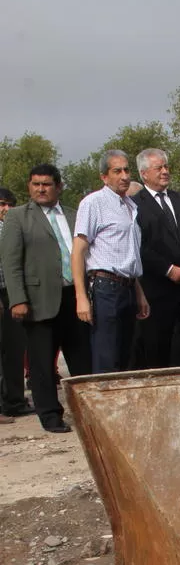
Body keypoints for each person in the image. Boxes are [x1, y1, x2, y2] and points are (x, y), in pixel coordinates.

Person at [1, 165, 92, 433]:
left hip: (74, 296)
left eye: (46, 184)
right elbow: (11, 262)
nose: (40, 189)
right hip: (38, 300)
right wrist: (17, 299)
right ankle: (51, 416)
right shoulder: (18, 217)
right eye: (35, 184)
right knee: (42, 362)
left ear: (58, 186)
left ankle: (87, 414)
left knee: (81, 359)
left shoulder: (74, 216)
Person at [72, 150, 150, 374]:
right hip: (105, 288)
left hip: (128, 286)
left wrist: (139, 292)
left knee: (127, 356)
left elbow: (128, 254)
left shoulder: (130, 206)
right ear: (104, 177)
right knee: (107, 356)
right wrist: (81, 297)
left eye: (127, 170)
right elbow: (78, 252)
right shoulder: (93, 203)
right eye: (117, 171)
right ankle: (102, 407)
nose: (124, 176)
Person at [133, 148, 180, 369]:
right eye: (159, 168)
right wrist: (168, 269)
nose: (165, 171)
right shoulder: (135, 205)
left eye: (166, 167)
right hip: (159, 291)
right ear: (144, 173)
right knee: (166, 354)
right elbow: (140, 245)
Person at [0, 187, 30, 423]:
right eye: (1, 204)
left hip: (13, 293)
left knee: (15, 349)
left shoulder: (15, 225)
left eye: (10, 204)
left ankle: (15, 401)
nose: (6, 208)